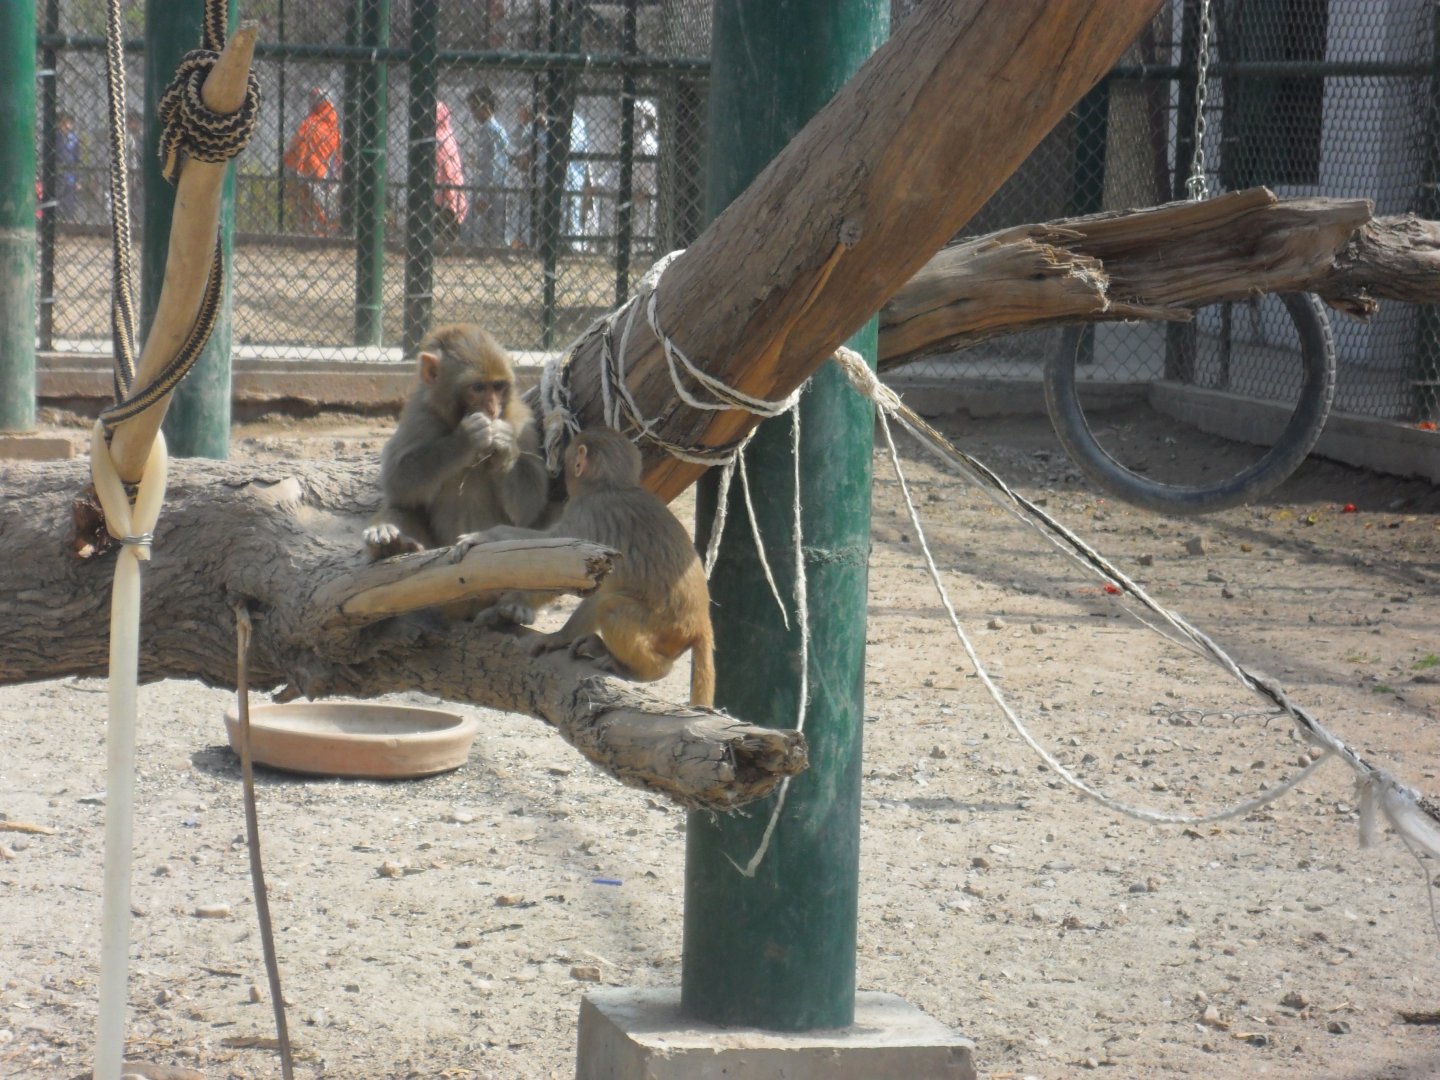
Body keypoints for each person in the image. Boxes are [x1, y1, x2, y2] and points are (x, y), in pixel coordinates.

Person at [282, 87, 340, 235]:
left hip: (312, 170)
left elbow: (298, 145)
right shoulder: (329, 125)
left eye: (315, 98)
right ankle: (318, 232)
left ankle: (315, 231)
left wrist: (290, 161)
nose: (310, 102)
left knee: (312, 206)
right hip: (321, 171)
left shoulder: (312, 124)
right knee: (317, 207)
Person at [465, 86, 510, 247]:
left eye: (474, 108)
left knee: (486, 229)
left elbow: (497, 163)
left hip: (490, 187)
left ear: (485, 106)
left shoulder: (493, 130)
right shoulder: (488, 129)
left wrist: (486, 193)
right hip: (486, 185)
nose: (473, 113)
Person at [434, 101, 469, 240]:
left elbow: (441, 165)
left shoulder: (439, 137)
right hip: (451, 185)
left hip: (444, 187)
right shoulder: (448, 133)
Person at [504, 103, 537, 249]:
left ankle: (525, 242)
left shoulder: (534, 131)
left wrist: (524, 158)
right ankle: (513, 242)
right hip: (515, 175)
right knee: (513, 211)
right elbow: (510, 151)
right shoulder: (517, 130)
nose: (521, 115)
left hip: (528, 177)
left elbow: (530, 153)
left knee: (526, 211)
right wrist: (517, 159)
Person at [55, 111, 82, 222]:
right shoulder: (55, 137)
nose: (67, 126)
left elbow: (77, 159)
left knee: (69, 202)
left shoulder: (73, 139)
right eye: (64, 123)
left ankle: (69, 221)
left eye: (69, 123)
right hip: (57, 173)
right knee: (57, 199)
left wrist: (78, 179)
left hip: (70, 175)